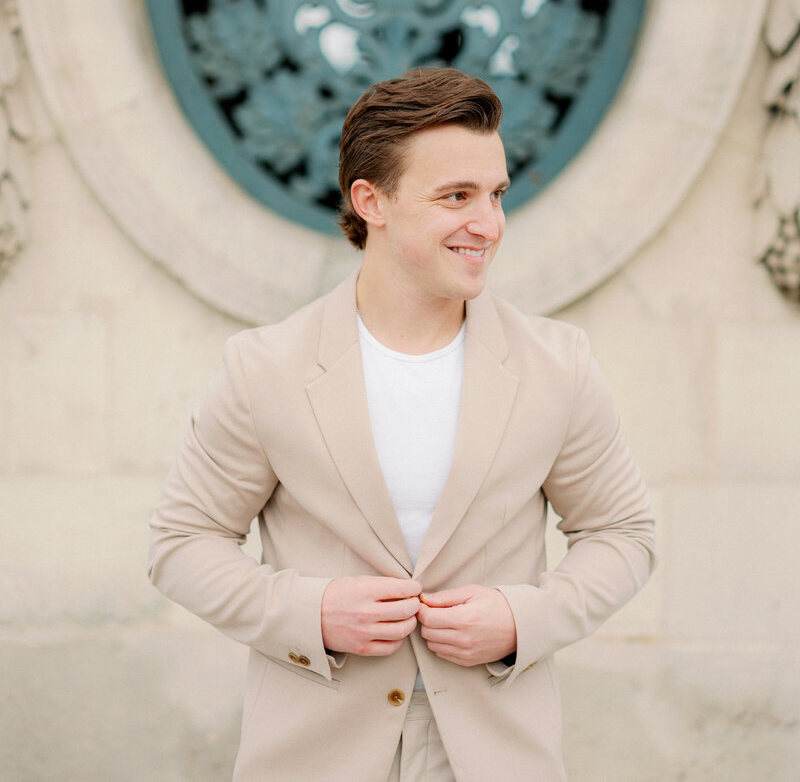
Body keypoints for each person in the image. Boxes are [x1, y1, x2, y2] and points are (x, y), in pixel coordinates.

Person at [148, 66, 656, 781]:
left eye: (496, 194)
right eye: (456, 196)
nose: (488, 223)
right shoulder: (264, 367)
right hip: (313, 755)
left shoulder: (558, 365)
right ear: (371, 201)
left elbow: (623, 534)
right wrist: (309, 610)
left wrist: (522, 620)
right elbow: (182, 542)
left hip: (495, 754)